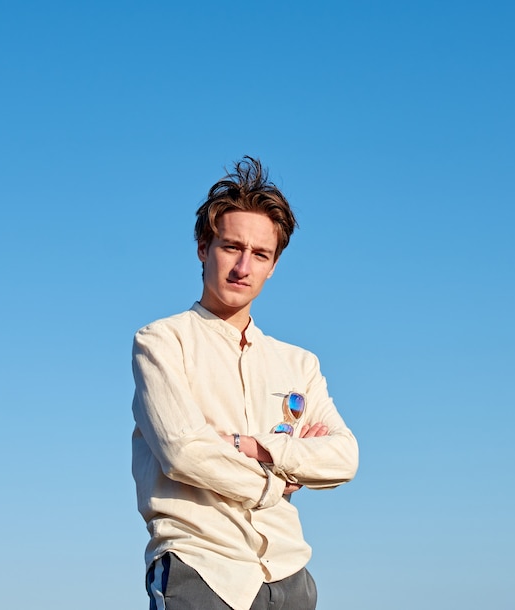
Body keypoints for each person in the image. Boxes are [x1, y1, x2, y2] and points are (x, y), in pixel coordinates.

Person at [132, 157, 358, 610]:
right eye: (231, 247)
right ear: (203, 247)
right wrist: (281, 481)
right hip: (201, 568)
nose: (242, 266)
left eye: (260, 254)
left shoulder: (299, 362)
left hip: (289, 574)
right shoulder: (162, 341)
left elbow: (344, 456)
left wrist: (254, 448)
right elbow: (184, 454)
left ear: (274, 265)